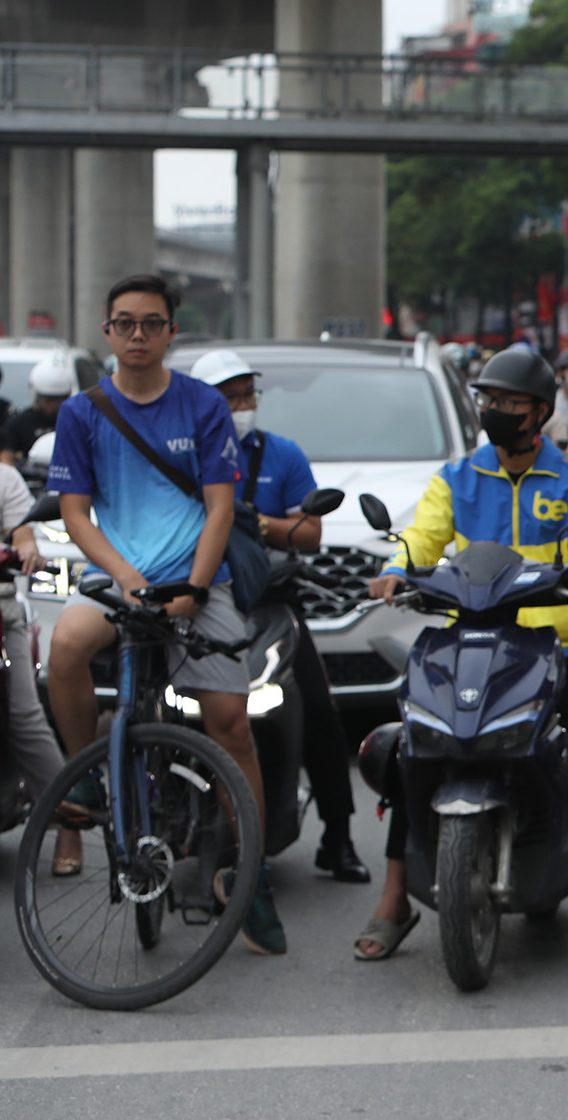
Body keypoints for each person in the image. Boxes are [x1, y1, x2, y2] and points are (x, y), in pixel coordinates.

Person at [357, 348, 568, 962]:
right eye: (488, 402)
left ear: (540, 412)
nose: (494, 412)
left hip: (550, 645)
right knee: (417, 746)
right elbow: (420, 537)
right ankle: (395, 895)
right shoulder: (458, 477)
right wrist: (393, 570)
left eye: (508, 403)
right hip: (467, 635)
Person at [43, 274, 285, 954]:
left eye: (152, 323)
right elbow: (74, 514)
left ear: (172, 332)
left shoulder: (203, 407)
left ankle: (251, 872)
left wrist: (195, 588)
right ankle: (91, 774)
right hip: (118, 580)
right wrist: (126, 579)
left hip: (196, 579)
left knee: (232, 725)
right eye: (126, 323)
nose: (139, 335)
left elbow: (218, 507)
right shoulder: (82, 412)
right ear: (107, 330)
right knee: (63, 649)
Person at [189, 349, 369, 884]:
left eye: (248, 395)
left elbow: (309, 534)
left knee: (317, 707)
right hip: (196, 598)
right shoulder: (182, 454)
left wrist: (248, 522)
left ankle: (337, 836)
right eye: (231, 397)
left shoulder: (282, 455)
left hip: (269, 601)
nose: (243, 406)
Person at [0, 370, 59, 984]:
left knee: (24, 717)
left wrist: (25, 550)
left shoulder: (0, 478)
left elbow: (24, 535)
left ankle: (73, 814)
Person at [0, 358, 73, 466]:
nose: (52, 405)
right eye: (48, 399)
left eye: (58, 400)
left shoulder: (74, 423)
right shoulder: (18, 423)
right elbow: (6, 457)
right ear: (36, 396)